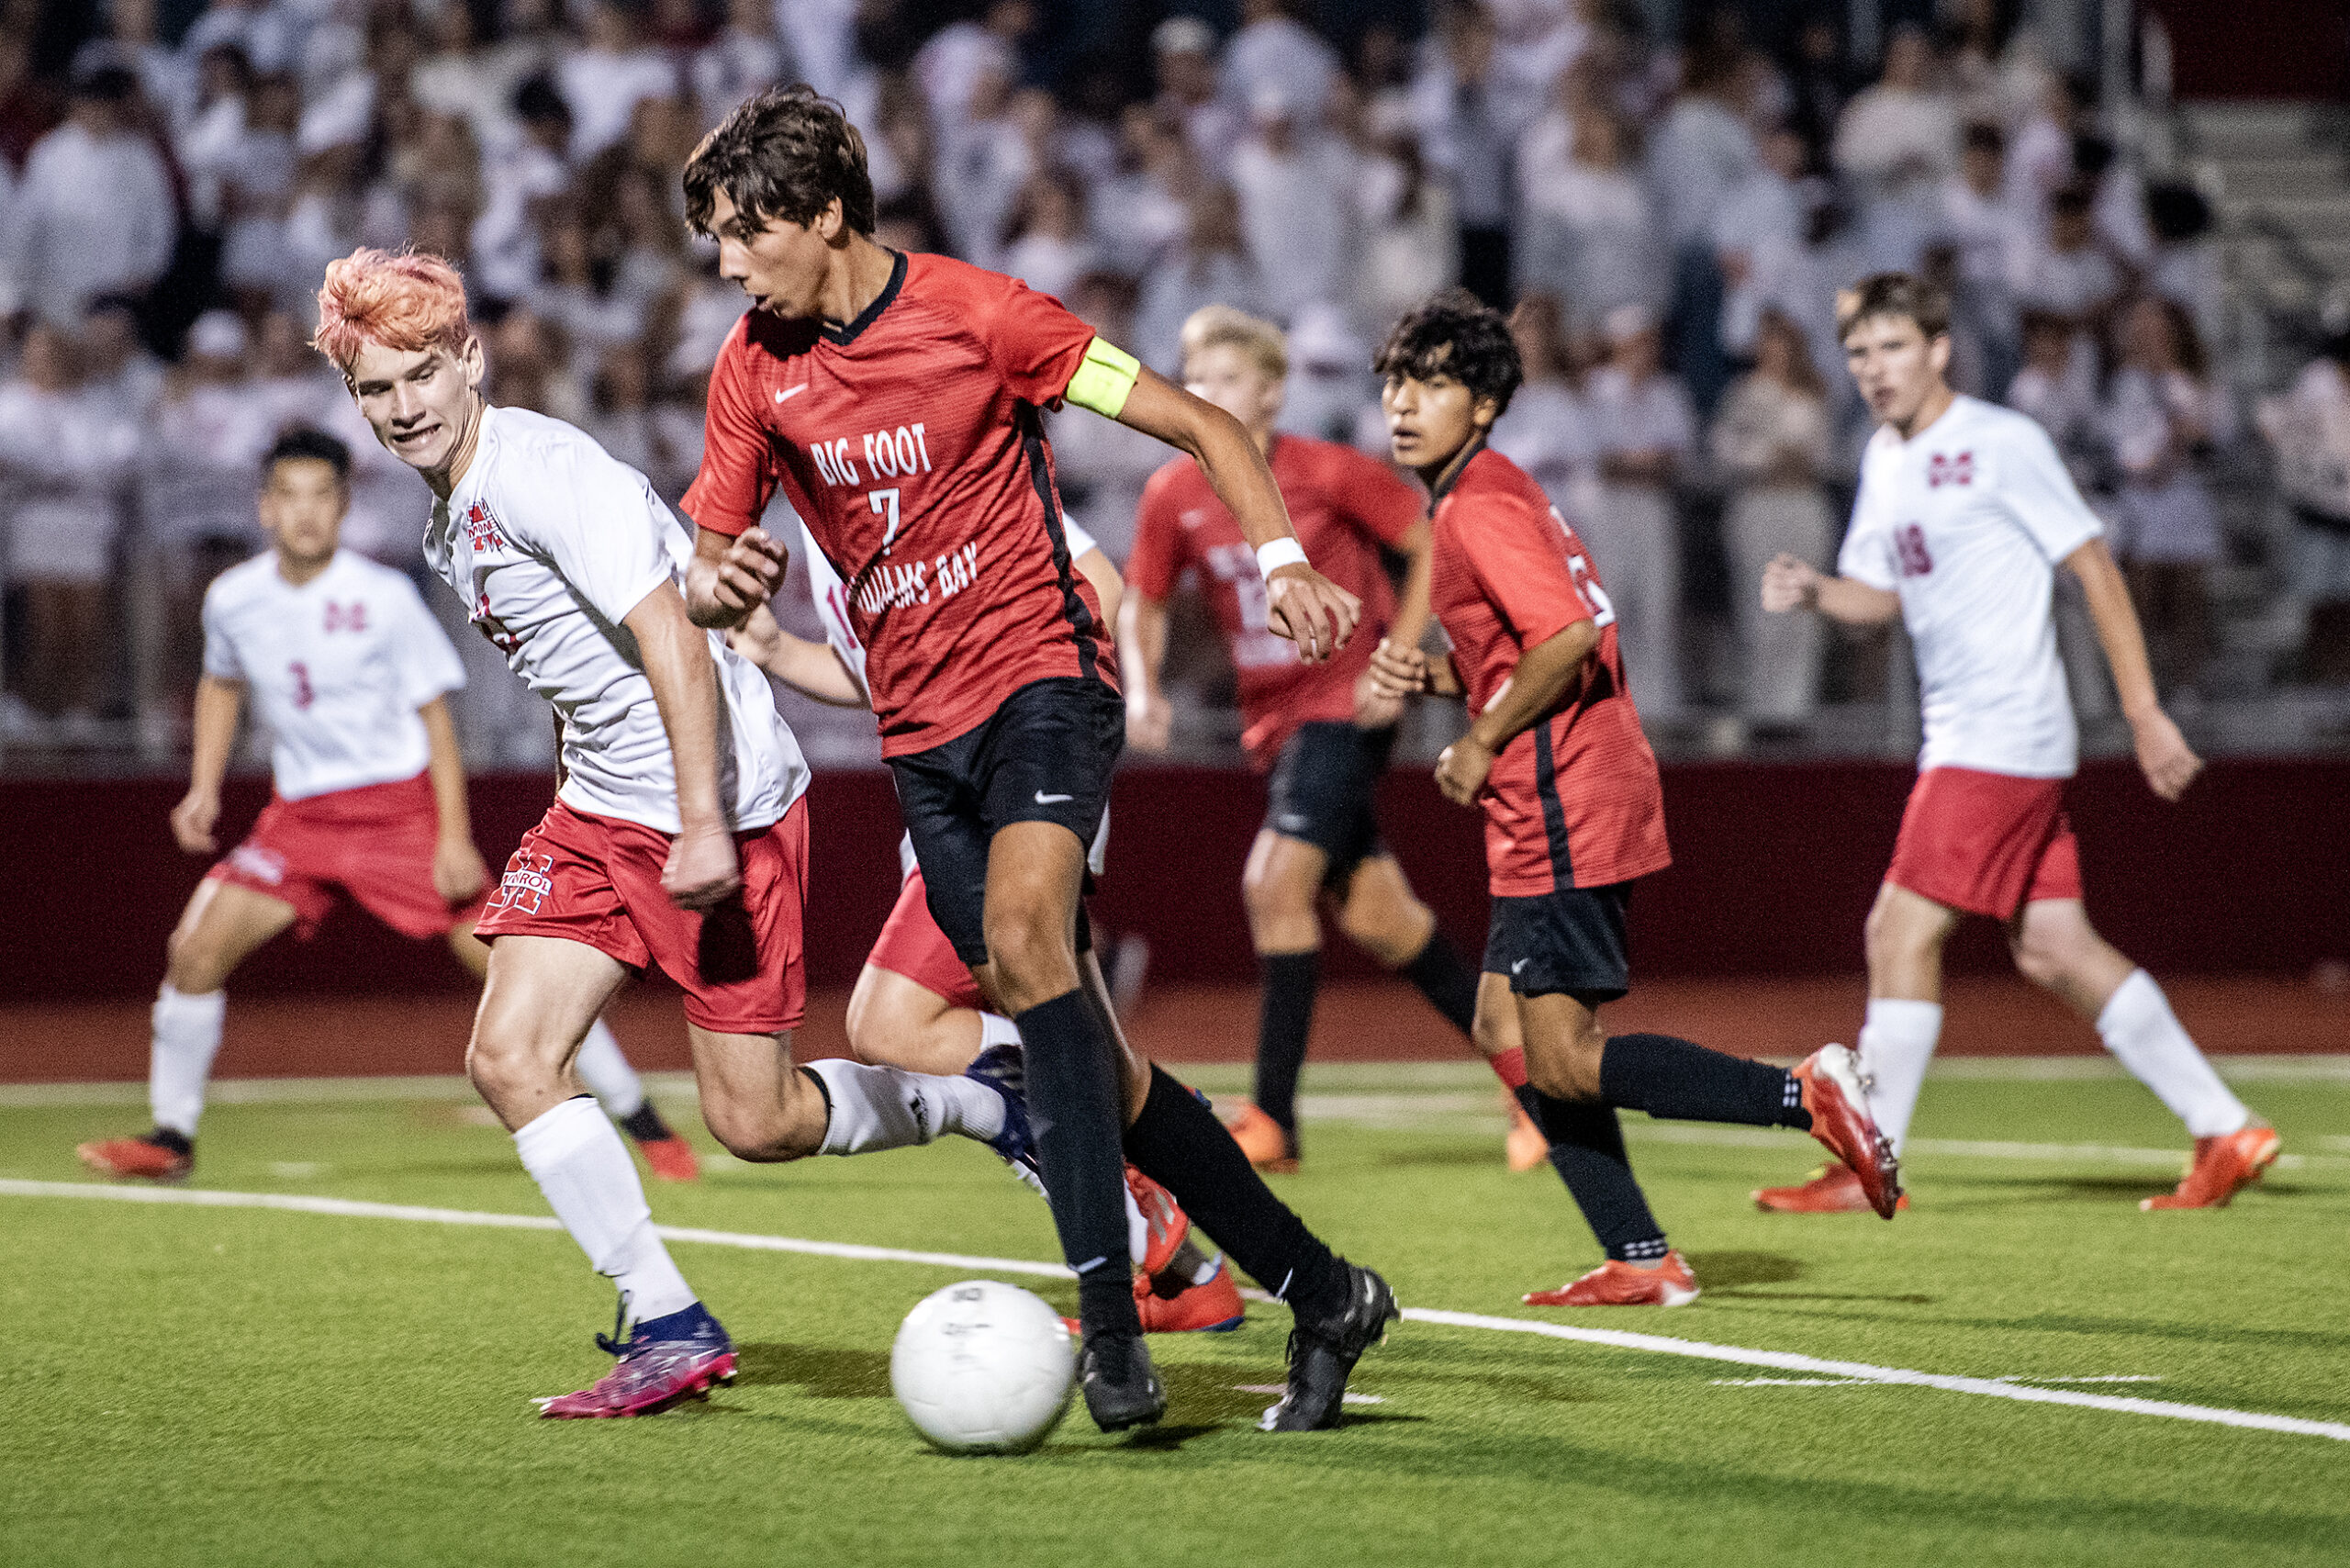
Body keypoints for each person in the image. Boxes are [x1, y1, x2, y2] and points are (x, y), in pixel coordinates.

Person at [677, 85, 1393, 1434]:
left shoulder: (985, 312)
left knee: (1025, 937)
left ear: (825, 214)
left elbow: (1204, 425)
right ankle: (1325, 1288)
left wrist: (1283, 558)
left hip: (1048, 681)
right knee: (1089, 1060)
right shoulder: (752, 369)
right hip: (918, 736)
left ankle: (1113, 1324)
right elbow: (707, 551)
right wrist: (726, 588)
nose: (726, 262)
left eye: (742, 231)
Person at [314, 247, 1035, 1420]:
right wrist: (578, 803)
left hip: (723, 804)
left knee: (756, 1120)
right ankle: (669, 1322)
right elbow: (574, 675)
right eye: (374, 391)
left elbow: (672, 637)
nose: (401, 410)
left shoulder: (544, 471)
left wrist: (703, 824)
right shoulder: (452, 515)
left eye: (418, 378)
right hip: (606, 808)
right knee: (506, 1056)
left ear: (469, 362)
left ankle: (990, 1097)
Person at [1366, 288, 1898, 1308]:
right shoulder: (1491, 491)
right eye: (1394, 381)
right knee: (1501, 1027)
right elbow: (1537, 642)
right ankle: (1640, 1255)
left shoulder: (1477, 505)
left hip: (1560, 794)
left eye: (1431, 383)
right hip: (1566, 785)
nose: (1402, 402)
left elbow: (1564, 639)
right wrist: (1442, 679)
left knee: (1559, 1060)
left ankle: (1803, 1094)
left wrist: (1477, 739)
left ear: (1481, 406)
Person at [1756, 272, 2277, 1214]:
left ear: (1939, 349)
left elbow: (2091, 564)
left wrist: (2144, 709)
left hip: (1997, 733)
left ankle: (1871, 1158)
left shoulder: (2000, 441)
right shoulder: (1884, 457)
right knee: (2053, 947)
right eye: (1860, 353)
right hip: (1976, 734)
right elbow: (1879, 596)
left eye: (1893, 348)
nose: (1874, 369)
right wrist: (1816, 589)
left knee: (1896, 930)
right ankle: (2225, 1126)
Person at [74, 430, 696, 1186]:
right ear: (266, 509)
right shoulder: (233, 599)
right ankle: (173, 1137)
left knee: (516, 969)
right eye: (290, 497)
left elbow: (436, 717)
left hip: (397, 817)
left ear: (343, 506)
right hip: (298, 821)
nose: (306, 514)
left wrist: (454, 836)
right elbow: (220, 683)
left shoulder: (382, 596)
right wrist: (204, 786)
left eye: (322, 496)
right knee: (195, 950)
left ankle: (642, 1120)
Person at [727, 510, 1247, 1336]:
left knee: (893, 1019)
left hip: (1007, 799)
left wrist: (1043, 748)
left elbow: (1099, 584)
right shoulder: (827, 503)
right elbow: (882, 673)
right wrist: (773, 650)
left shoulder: (933, 449)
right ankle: (1193, 1274)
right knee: (1084, 1046)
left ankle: (1137, 1168)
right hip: (949, 802)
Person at [1120, 305, 1505, 1173]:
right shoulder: (1173, 491)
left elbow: (1431, 543)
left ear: (1272, 390)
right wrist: (1143, 689)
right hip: (1275, 727)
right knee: (1384, 921)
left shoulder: (1327, 471)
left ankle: (1276, 1120)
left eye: (1224, 379)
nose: (1205, 394)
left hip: (1343, 707)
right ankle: (1529, 1074)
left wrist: (1398, 659)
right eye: (1196, 379)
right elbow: (1141, 598)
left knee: (1273, 884)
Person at [1713, 307, 1835, 734]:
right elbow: (1725, 448)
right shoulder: (1744, 393)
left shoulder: (1813, 392)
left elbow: (1822, 450)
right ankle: (1762, 708)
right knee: (1761, 606)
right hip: (1759, 504)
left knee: (1803, 606)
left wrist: (1792, 458)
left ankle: (1794, 710)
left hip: (1802, 504)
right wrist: (1769, 457)